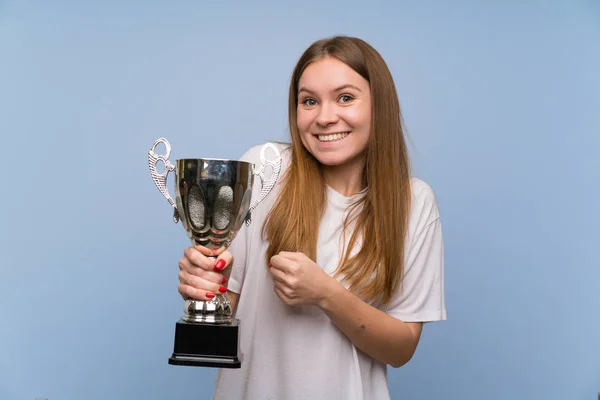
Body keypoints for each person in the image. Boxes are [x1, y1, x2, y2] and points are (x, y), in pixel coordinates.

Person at [177, 35, 446, 400]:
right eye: (309, 101)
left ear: (379, 105)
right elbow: (227, 302)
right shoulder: (265, 168)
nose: (324, 117)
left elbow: (401, 349)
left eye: (345, 98)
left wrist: (326, 294)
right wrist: (205, 284)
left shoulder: (414, 202)